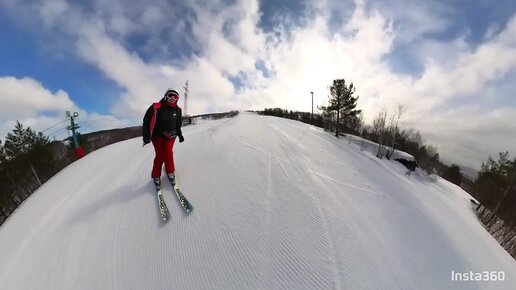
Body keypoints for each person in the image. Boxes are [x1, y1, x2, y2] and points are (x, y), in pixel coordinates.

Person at [142, 88, 185, 188]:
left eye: (175, 97)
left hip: (171, 135)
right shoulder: (156, 107)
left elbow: (178, 124)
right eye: (170, 95)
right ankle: (156, 175)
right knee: (160, 155)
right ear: (166, 96)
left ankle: (170, 171)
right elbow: (146, 122)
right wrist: (146, 137)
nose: (172, 98)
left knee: (168, 152)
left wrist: (180, 134)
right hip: (157, 135)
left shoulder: (178, 110)